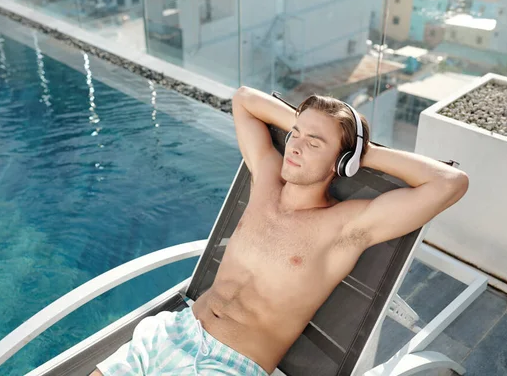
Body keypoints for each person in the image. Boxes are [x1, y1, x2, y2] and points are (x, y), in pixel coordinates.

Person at [91, 87, 469, 376]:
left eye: (314, 143)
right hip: (172, 329)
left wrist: (359, 153)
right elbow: (243, 99)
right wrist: (309, 124)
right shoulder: (267, 179)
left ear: (342, 161)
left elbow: (450, 183)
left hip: (227, 363)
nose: (296, 147)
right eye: (295, 133)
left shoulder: (346, 226)